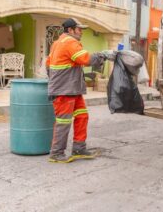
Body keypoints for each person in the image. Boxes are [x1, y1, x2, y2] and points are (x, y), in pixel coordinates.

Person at [46, 18, 115, 163]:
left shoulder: (57, 43)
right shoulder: (70, 42)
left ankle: (79, 148)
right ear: (70, 30)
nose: (81, 32)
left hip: (71, 89)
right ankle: (56, 153)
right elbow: (85, 59)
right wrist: (103, 55)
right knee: (63, 122)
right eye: (79, 29)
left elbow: (48, 64)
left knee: (82, 116)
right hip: (65, 91)